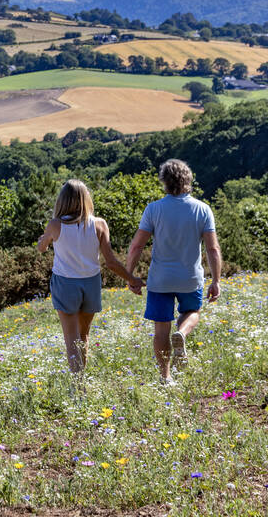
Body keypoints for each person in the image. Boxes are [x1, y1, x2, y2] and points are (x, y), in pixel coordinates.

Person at [126, 159, 221, 385]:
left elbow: (137, 246)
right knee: (193, 312)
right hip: (190, 278)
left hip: (160, 280)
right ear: (188, 179)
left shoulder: (154, 209)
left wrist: (130, 275)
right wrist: (216, 280)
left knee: (161, 330)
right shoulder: (202, 209)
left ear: (164, 182)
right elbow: (212, 248)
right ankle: (182, 334)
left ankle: (165, 377)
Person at [37, 180, 144, 373]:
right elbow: (110, 262)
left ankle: (78, 386)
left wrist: (43, 240)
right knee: (84, 335)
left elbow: (42, 248)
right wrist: (131, 279)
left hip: (65, 283)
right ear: (86, 199)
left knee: (71, 338)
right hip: (91, 283)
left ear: (62, 201)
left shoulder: (55, 225)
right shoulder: (99, 224)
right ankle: (81, 378)